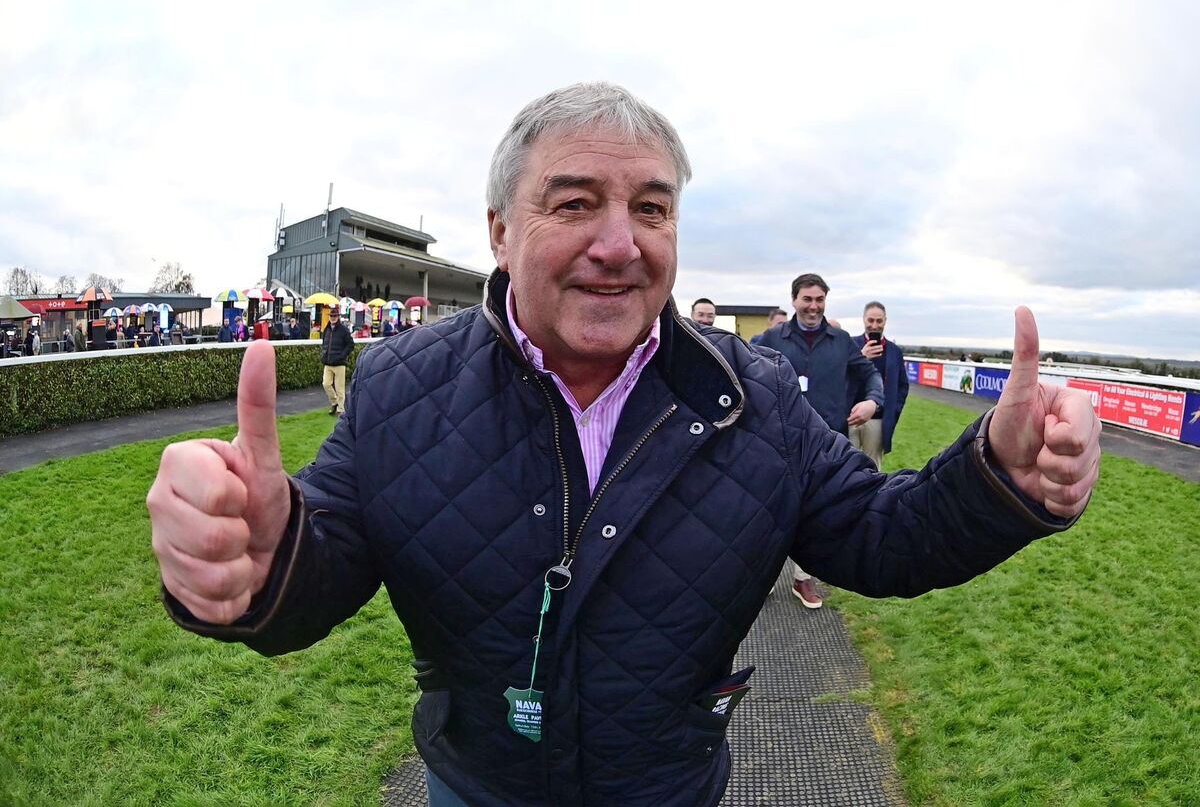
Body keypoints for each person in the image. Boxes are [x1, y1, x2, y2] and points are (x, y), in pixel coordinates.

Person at [147, 83, 1100, 807]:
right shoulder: (403, 387)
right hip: (477, 789)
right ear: (499, 232)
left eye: (651, 209)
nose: (621, 243)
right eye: (573, 205)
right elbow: (316, 570)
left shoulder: (751, 396)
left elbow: (881, 536)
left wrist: (999, 480)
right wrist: (254, 564)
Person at [756, 274, 884, 609]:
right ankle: (763, 574)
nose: (813, 306)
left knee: (814, 510)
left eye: (819, 300)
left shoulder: (841, 341)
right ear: (794, 300)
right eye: (807, 299)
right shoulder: (770, 338)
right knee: (770, 509)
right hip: (777, 439)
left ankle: (802, 577)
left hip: (826, 441)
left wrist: (873, 401)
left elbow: (869, 374)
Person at [850, 301, 909, 470]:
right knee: (845, 467)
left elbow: (902, 386)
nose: (874, 325)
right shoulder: (850, 345)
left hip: (878, 421)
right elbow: (839, 377)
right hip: (850, 418)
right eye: (870, 320)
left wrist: (892, 412)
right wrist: (861, 357)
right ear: (863, 320)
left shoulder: (894, 351)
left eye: (879, 321)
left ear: (885, 321)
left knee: (872, 470)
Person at [319, 307, 353, 416]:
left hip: (339, 363)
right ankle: (334, 402)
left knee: (340, 388)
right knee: (326, 384)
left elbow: (350, 345)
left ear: (338, 317)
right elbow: (324, 343)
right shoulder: (327, 329)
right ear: (329, 317)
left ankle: (341, 410)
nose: (333, 318)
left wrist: (342, 356)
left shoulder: (344, 330)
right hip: (328, 363)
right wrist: (324, 355)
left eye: (335, 316)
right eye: (331, 316)